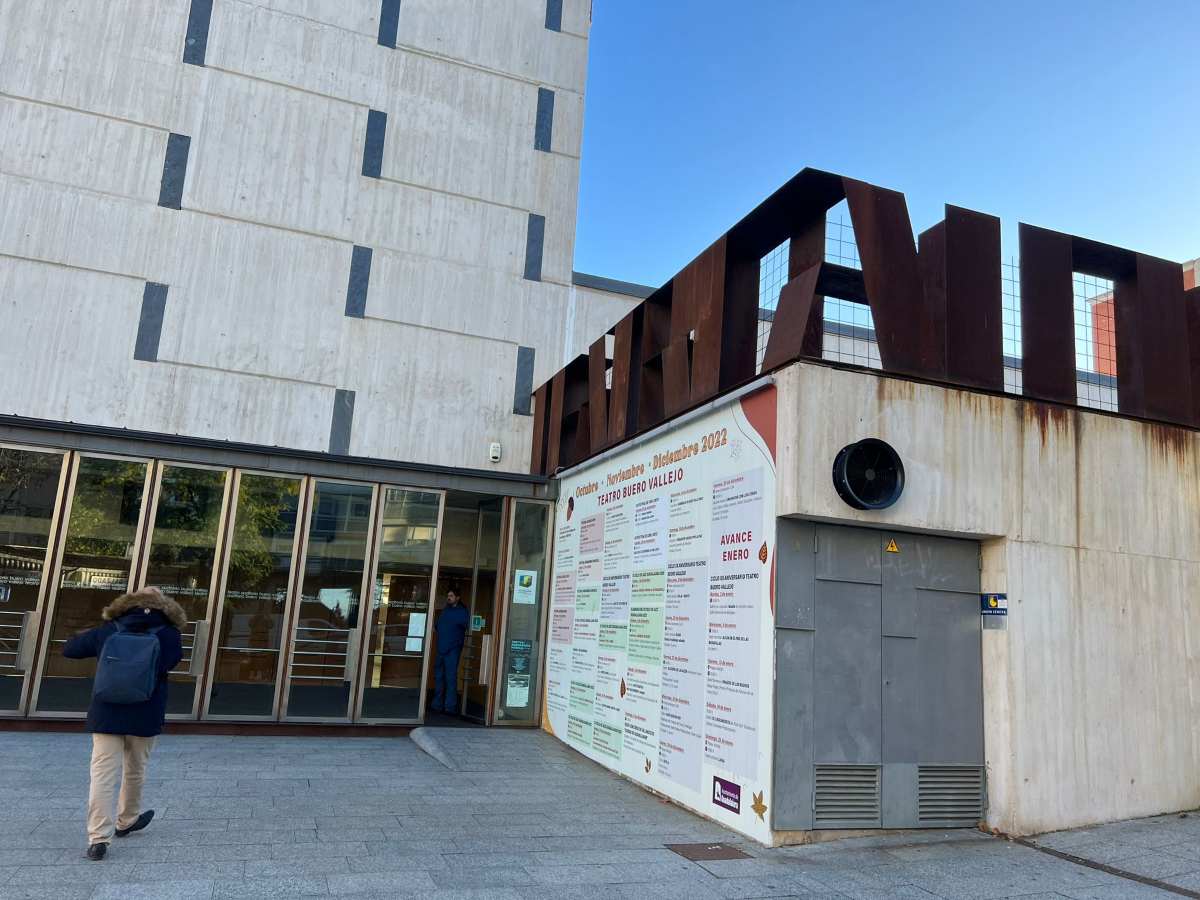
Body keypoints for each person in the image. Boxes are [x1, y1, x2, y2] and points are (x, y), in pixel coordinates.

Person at [63, 586, 184, 861]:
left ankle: (98, 839)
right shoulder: (169, 633)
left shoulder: (110, 628)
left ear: (127, 603)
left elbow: (70, 650)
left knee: (103, 775)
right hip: (146, 711)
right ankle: (127, 819)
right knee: (135, 769)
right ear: (163, 605)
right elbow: (171, 662)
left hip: (107, 712)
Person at [430, 588, 469, 714]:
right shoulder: (445, 611)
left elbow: (467, 627)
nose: (449, 597)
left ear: (457, 597)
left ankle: (449, 707)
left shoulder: (462, 612)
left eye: (451, 595)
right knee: (439, 677)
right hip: (441, 649)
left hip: (452, 649)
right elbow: (437, 626)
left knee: (450, 678)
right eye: (448, 595)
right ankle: (437, 705)